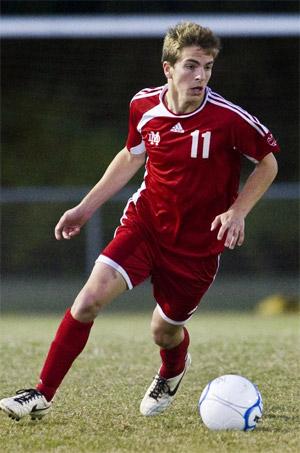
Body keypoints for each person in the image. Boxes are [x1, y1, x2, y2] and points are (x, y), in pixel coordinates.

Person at [0, 22, 279, 421]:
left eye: (208, 67)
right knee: (87, 301)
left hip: (198, 247)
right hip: (145, 225)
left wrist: (237, 211)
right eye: (191, 66)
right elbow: (131, 155)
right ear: (168, 68)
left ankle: (172, 369)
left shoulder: (228, 119)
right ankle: (41, 394)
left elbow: (268, 163)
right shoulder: (143, 106)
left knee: (163, 332)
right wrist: (85, 207)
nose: (200, 76)